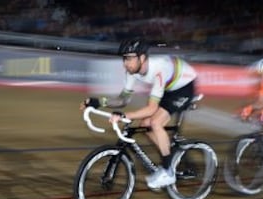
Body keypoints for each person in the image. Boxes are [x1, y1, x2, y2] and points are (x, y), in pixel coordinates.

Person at [80, 38, 197, 189]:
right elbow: (122, 100)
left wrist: (124, 116)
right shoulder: (132, 72)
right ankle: (170, 156)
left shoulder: (158, 69)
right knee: (145, 125)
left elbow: (151, 109)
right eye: (124, 59)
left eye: (129, 58)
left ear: (142, 58)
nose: (125, 63)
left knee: (155, 122)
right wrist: (99, 102)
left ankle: (168, 171)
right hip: (169, 87)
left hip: (185, 87)